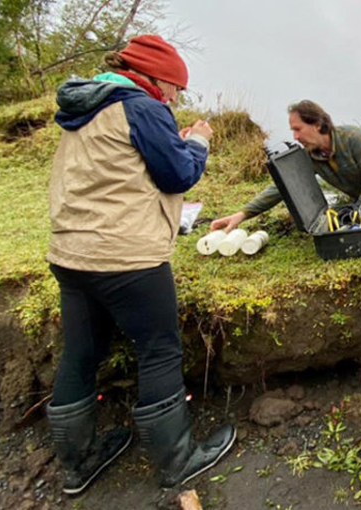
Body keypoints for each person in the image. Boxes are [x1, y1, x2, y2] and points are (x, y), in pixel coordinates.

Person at [45, 34, 235, 495]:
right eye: (174, 87)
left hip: (71, 254)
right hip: (126, 256)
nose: (175, 97)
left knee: (81, 354)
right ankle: (177, 460)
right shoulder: (142, 107)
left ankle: (78, 464)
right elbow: (179, 174)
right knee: (158, 349)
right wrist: (198, 143)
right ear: (155, 78)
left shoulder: (84, 108)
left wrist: (176, 140)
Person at [209, 100, 361, 232]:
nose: (295, 137)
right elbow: (282, 187)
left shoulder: (356, 138)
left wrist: (357, 214)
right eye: (292, 131)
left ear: (317, 124)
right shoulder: (310, 156)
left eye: (298, 129)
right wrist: (242, 214)